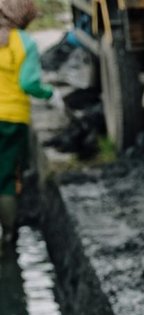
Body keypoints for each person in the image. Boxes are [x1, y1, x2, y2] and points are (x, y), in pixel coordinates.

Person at [0, 0, 58, 252]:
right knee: (7, 180)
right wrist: (50, 94)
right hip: (11, 121)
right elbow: (28, 83)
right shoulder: (22, 42)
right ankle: (9, 237)